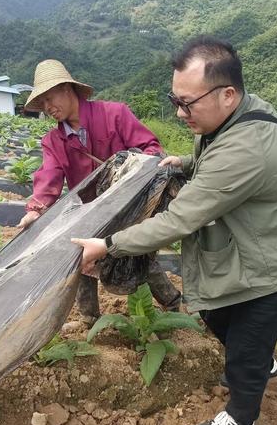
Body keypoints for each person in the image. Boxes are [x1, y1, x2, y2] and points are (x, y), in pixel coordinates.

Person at [71, 36, 277, 425]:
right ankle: (262, 364)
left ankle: (241, 418)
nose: (178, 112)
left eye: (188, 103)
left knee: (243, 345)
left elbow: (181, 219)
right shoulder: (235, 113)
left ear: (227, 94)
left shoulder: (245, 149)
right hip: (259, 250)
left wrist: (109, 245)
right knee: (216, 314)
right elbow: (215, 159)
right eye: (175, 99)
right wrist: (188, 163)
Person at [18, 59, 181, 324]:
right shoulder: (53, 141)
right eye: (42, 103)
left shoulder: (114, 114)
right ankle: (88, 318)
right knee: (80, 255)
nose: (48, 108)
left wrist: (131, 168)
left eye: (50, 98)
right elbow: (49, 175)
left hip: (127, 206)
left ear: (68, 89)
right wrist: (35, 210)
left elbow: (150, 148)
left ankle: (172, 302)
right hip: (89, 209)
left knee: (136, 252)